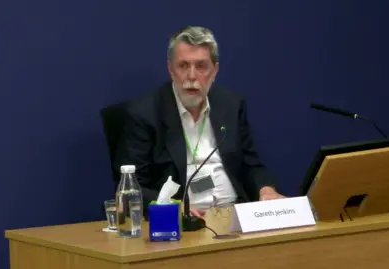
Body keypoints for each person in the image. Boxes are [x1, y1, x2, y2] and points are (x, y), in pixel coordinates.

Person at [115, 26, 284, 218]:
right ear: (171, 69)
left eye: (201, 66)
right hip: (183, 221)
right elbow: (132, 189)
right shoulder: (144, 114)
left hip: (234, 213)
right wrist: (170, 207)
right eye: (183, 66)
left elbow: (251, 164)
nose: (192, 76)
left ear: (215, 70)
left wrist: (266, 190)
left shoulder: (231, 105)